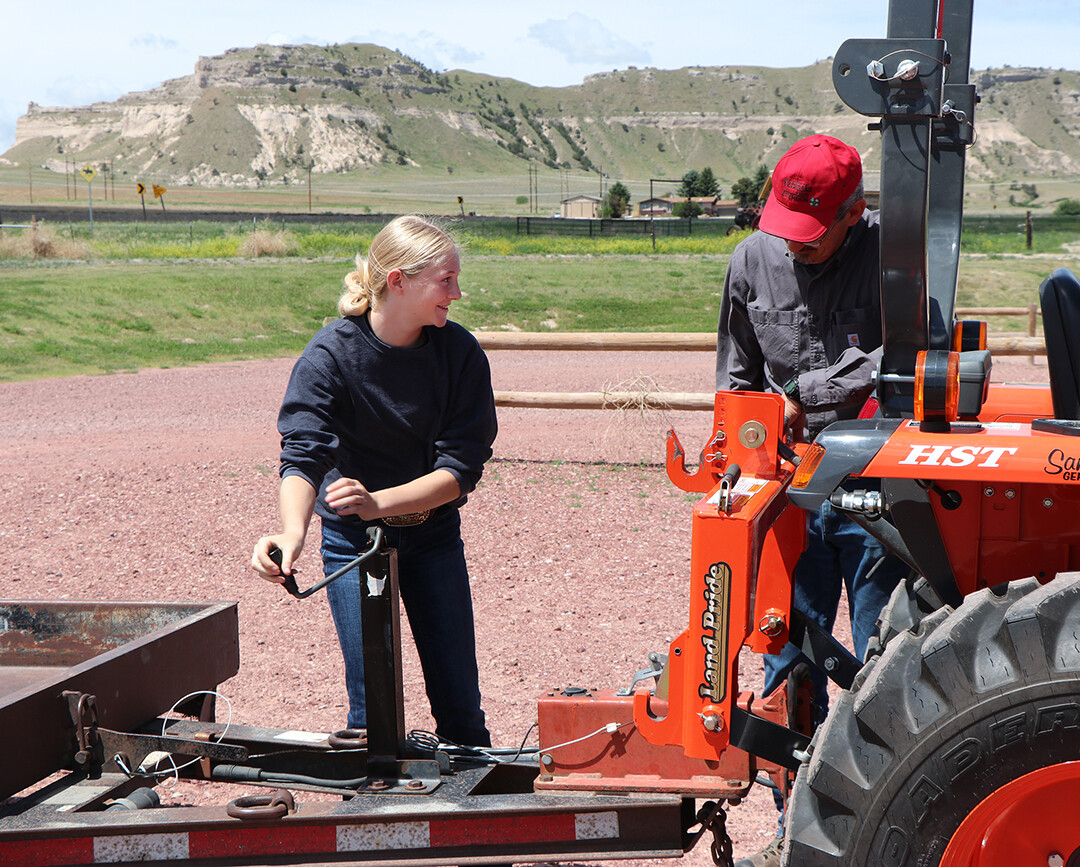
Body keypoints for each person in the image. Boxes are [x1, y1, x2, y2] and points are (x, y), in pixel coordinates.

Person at [715, 134, 910, 867]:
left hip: (875, 492)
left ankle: (885, 829)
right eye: (787, 230)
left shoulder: (896, 257)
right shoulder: (751, 259)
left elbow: (903, 356)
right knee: (786, 660)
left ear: (853, 212)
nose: (795, 249)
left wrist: (805, 394)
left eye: (813, 234)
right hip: (787, 492)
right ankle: (794, 829)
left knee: (882, 660)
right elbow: (735, 380)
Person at [251, 215, 498, 749]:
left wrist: (378, 500)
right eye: (446, 279)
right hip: (352, 542)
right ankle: (374, 818)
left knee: (461, 710)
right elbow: (303, 452)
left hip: (432, 536)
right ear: (398, 281)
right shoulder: (330, 356)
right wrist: (291, 534)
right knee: (372, 714)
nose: (458, 292)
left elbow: (461, 469)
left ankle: (477, 819)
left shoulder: (459, 354)